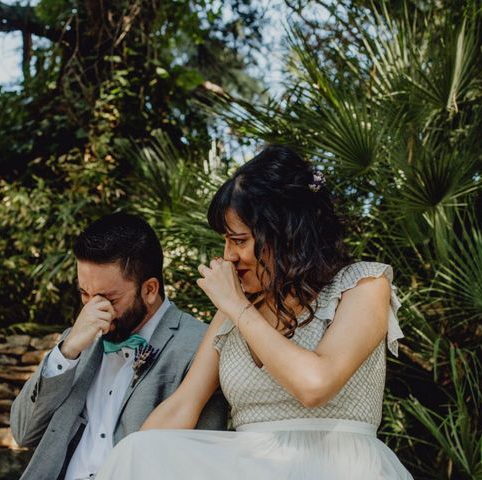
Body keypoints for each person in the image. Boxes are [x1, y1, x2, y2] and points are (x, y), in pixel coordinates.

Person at [96, 146, 413, 479]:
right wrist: (129, 461)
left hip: (339, 466)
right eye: (225, 241)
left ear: (287, 234)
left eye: (239, 240)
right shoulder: (233, 311)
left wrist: (237, 307)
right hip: (246, 466)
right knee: (137, 448)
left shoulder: (363, 285)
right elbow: (182, 406)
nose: (228, 256)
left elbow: (315, 386)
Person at [10, 213, 228, 480]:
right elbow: (23, 431)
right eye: (84, 294)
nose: (93, 308)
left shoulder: (200, 345)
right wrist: (67, 352)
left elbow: (197, 461)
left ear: (149, 289)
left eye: (107, 297)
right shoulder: (77, 341)